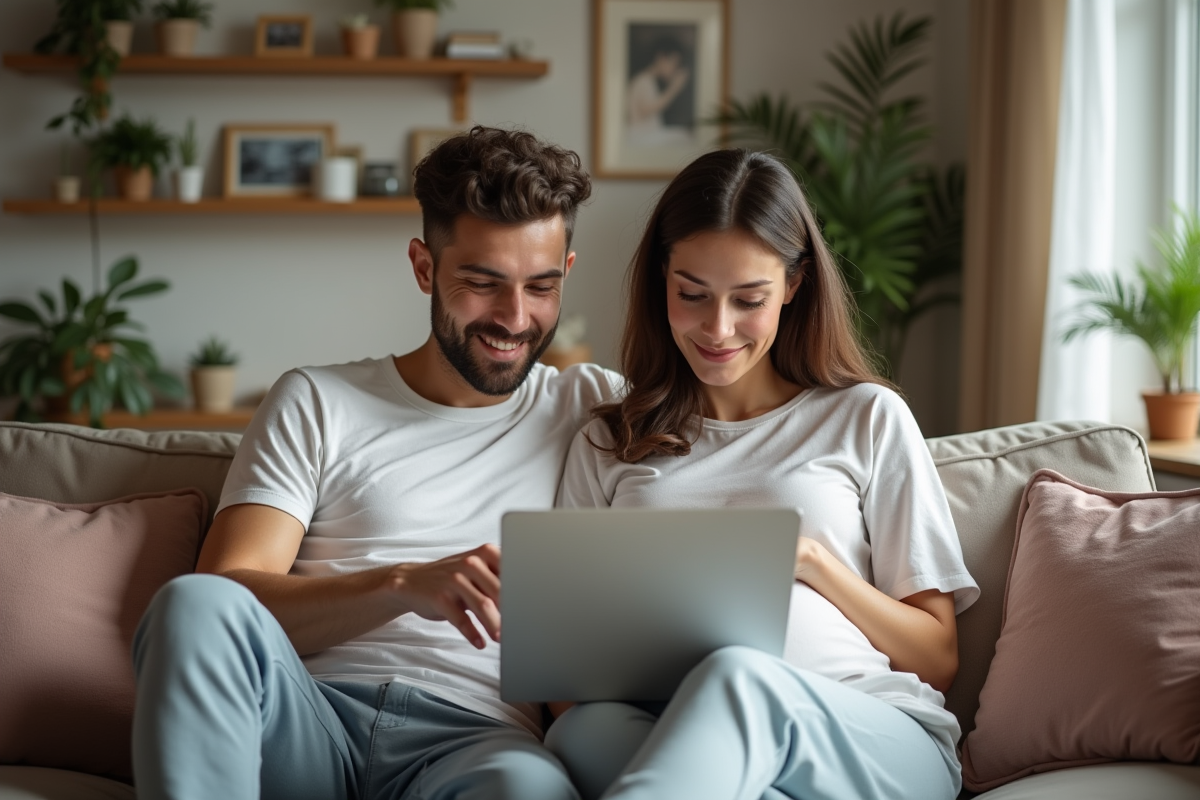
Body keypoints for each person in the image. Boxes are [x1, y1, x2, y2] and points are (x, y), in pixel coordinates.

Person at [131, 126, 621, 800]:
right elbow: (227, 596)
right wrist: (399, 585)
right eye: (482, 283)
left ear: (566, 272)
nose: (515, 317)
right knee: (193, 603)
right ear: (424, 267)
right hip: (307, 720)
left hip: (475, 742)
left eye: (540, 287)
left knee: (530, 792)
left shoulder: (595, 408)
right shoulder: (318, 400)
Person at [545, 149, 980, 800]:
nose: (717, 329)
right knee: (580, 731)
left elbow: (937, 658)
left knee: (737, 677)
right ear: (662, 277)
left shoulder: (866, 417)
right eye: (692, 295)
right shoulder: (609, 441)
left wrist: (812, 563)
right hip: (671, 732)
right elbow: (560, 681)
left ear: (795, 285)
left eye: (749, 300)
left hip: (872, 735)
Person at [625, 35, 692, 146]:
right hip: (641, 138)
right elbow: (646, 110)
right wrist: (674, 88)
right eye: (674, 63)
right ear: (661, 58)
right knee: (684, 137)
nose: (674, 69)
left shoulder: (648, 80)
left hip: (646, 136)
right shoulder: (643, 80)